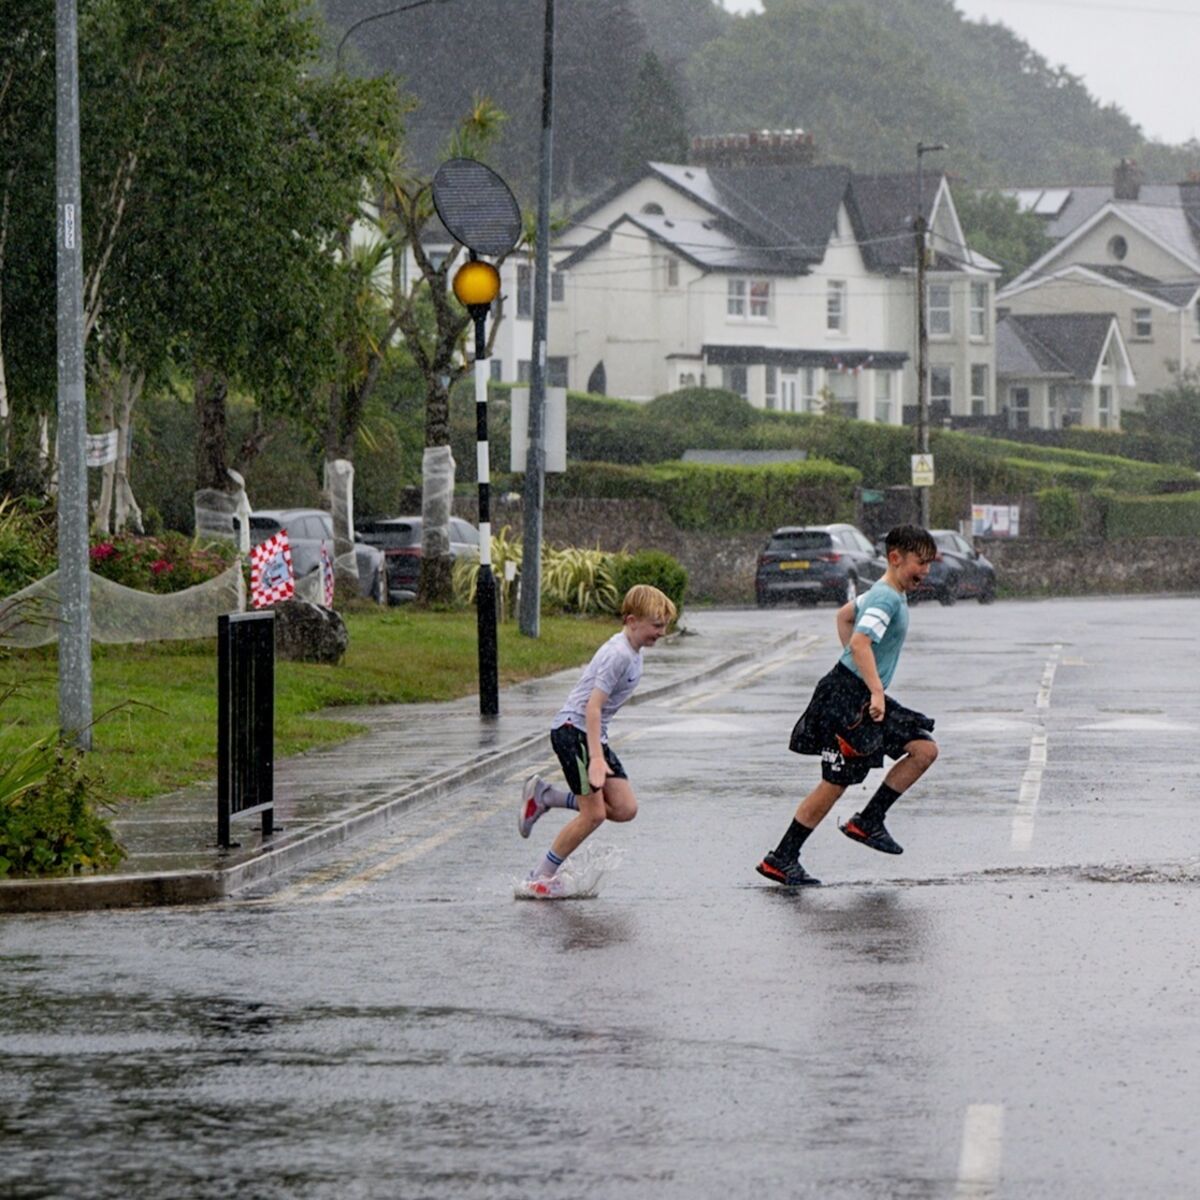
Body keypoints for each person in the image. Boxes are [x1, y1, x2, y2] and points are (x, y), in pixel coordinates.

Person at [756, 524, 940, 887]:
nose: (927, 571)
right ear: (895, 558)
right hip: (847, 699)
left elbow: (843, 615)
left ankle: (869, 821)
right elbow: (859, 642)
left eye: (930, 564)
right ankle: (782, 858)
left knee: (923, 749)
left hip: (853, 689)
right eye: (921, 562)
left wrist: (860, 676)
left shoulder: (884, 592)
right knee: (835, 782)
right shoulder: (886, 597)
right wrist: (871, 687)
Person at [518, 583, 678, 897]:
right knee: (594, 814)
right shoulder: (618, 654)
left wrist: (598, 750)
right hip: (572, 732)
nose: (661, 632)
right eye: (656, 625)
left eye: (665, 626)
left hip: (590, 736)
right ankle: (541, 877)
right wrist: (596, 757)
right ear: (632, 621)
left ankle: (546, 797)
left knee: (624, 808)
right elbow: (592, 707)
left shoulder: (634, 652)